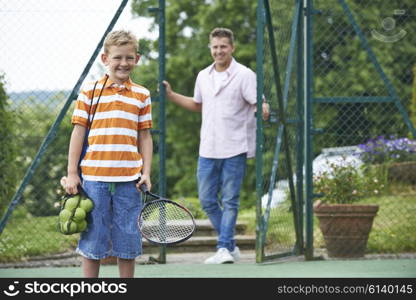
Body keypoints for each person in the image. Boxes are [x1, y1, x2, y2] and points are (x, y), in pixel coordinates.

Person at [163, 27, 269, 264]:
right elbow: (198, 104)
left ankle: (223, 248)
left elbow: (257, 102)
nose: (219, 51)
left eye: (223, 46)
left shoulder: (244, 74)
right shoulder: (203, 76)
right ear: (210, 48)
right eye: (215, 47)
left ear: (232, 48)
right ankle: (230, 244)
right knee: (207, 200)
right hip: (208, 147)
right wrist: (171, 95)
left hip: (235, 146)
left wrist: (262, 108)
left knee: (231, 199)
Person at [62, 30, 153, 277]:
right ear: (105, 58)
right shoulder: (89, 92)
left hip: (129, 182)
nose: (123, 63)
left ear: (137, 59)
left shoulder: (142, 95)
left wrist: (146, 172)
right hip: (94, 179)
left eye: (129, 58)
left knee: (128, 238)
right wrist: (72, 173)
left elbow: (144, 136)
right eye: (117, 58)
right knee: (93, 238)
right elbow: (78, 132)